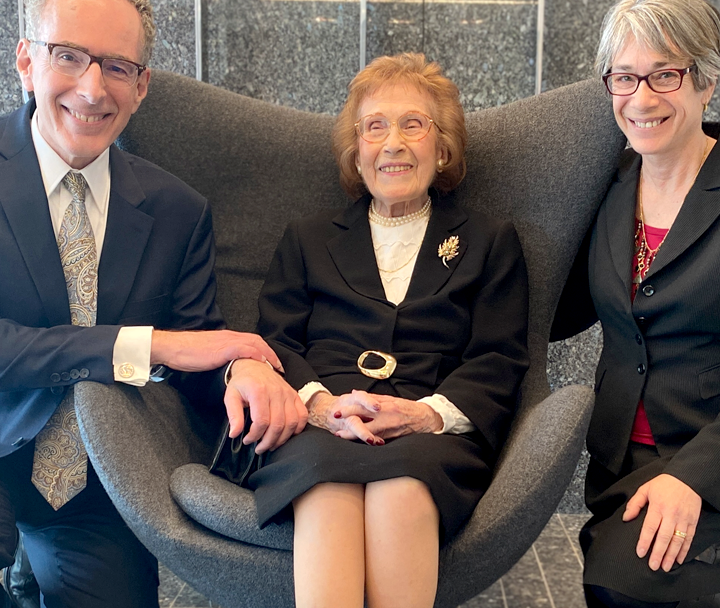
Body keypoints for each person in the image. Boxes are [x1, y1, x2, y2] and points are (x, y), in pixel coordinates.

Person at [0, 0, 305, 608]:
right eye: (68, 55)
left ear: (142, 86)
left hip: (94, 466)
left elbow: (196, 354)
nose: (93, 87)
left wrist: (242, 369)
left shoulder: (177, 209)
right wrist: (149, 345)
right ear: (26, 61)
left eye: (118, 67)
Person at [226, 53, 530, 608]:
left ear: (442, 149)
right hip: (314, 428)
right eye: (375, 127)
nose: (393, 143)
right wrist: (321, 407)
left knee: (402, 487)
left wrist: (422, 414)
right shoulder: (307, 238)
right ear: (356, 152)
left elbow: (499, 358)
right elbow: (278, 343)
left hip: (429, 435)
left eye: (413, 124)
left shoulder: (490, 241)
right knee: (326, 484)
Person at [552, 0, 720, 608]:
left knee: (617, 585)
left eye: (664, 75)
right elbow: (563, 311)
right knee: (628, 578)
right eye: (624, 77)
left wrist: (693, 478)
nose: (641, 99)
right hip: (620, 444)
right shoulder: (608, 183)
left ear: (706, 81)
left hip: (718, 438)